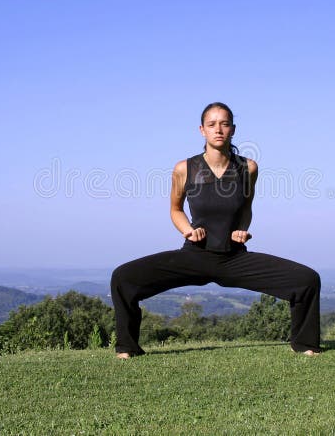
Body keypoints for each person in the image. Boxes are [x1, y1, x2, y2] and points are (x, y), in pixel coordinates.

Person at [110, 102, 321, 359]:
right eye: (211, 124)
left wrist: (243, 230)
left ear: (233, 129)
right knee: (123, 278)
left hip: (234, 258)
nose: (218, 129)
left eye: (224, 123)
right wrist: (188, 230)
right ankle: (127, 347)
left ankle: (304, 343)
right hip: (193, 256)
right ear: (202, 130)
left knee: (307, 280)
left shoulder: (248, 168)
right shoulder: (184, 169)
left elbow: (246, 209)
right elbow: (175, 210)